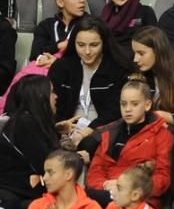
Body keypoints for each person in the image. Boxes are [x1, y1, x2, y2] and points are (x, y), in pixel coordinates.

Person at [84, 79, 174, 209]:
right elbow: (95, 171)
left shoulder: (162, 135)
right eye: (123, 104)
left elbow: (163, 178)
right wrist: (104, 185)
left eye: (134, 104)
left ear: (147, 105)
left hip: (140, 197)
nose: (127, 109)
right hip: (106, 192)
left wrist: (127, 189)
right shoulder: (109, 132)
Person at [49, 15, 131, 146]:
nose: (87, 51)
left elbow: (115, 112)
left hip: (102, 132)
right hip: (66, 131)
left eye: (94, 45)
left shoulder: (117, 68)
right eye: (81, 45)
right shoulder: (61, 68)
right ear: (73, 43)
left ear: (104, 43)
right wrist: (59, 126)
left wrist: (90, 130)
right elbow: (53, 105)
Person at [0, 76, 61, 209]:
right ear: (40, 96)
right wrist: (77, 157)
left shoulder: (30, 121)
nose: (56, 97)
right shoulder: (24, 123)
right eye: (52, 92)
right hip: (10, 192)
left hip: (19, 190)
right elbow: (49, 163)